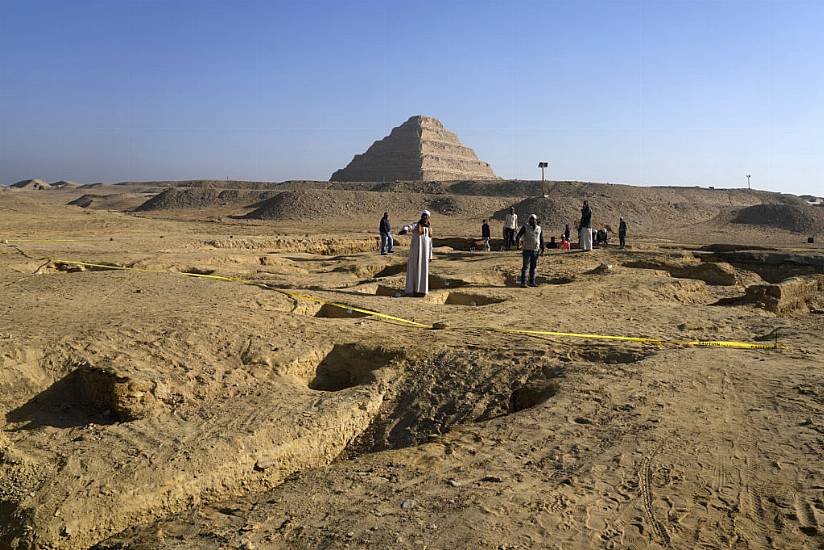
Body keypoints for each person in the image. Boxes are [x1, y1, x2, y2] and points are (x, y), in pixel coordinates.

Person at [404, 210, 433, 296]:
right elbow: (409, 226)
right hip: (415, 253)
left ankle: (421, 291)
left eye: (426, 216)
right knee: (414, 270)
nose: (424, 217)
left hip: (425, 255)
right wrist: (405, 230)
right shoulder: (416, 225)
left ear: (428, 218)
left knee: (423, 271)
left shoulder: (430, 229)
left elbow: (431, 243)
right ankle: (411, 290)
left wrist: (430, 255)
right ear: (421, 217)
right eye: (423, 216)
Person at [516, 214, 545, 287]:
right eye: (530, 219)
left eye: (533, 219)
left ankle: (532, 282)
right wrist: (518, 243)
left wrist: (542, 249)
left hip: (535, 250)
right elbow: (518, 235)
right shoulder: (525, 227)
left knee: (533, 267)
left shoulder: (539, 228)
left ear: (536, 220)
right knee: (525, 267)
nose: (532, 220)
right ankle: (523, 282)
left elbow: (541, 239)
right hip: (527, 250)